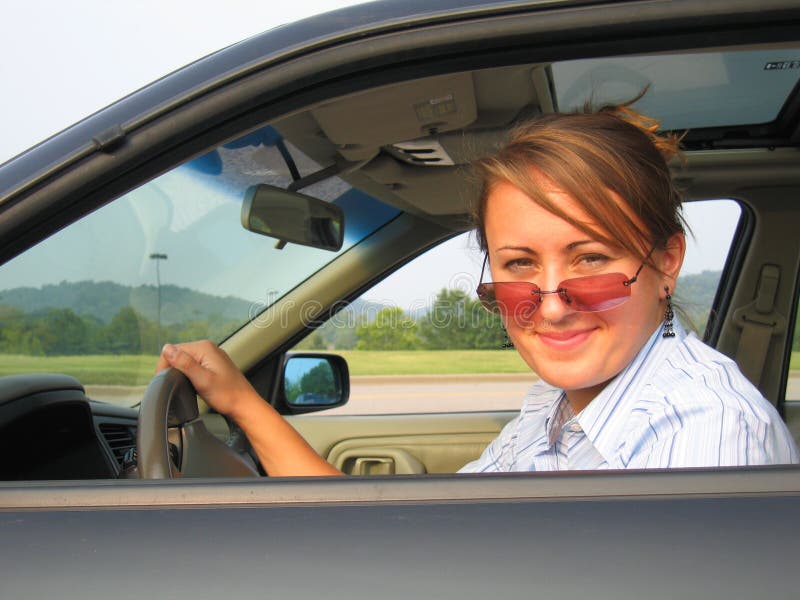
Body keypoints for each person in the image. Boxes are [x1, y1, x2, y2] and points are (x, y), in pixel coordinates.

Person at [157, 101, 799, 475]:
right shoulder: (554, 405)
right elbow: (410, 533)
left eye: (591, 257)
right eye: (519, 264)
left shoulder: (701, 438)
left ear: (666, 263)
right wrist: (241, 403)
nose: (550, 302)